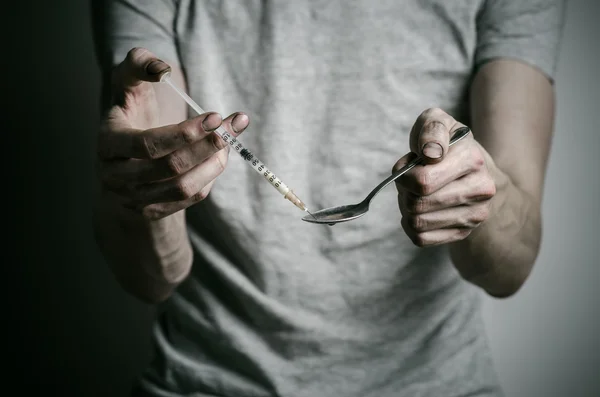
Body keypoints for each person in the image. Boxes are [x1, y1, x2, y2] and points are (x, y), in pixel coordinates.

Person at [91, 0, 565, 396]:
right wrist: (148, 188)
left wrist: (482, 194)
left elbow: (511, 268)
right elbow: (152, 279)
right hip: (208, 380)